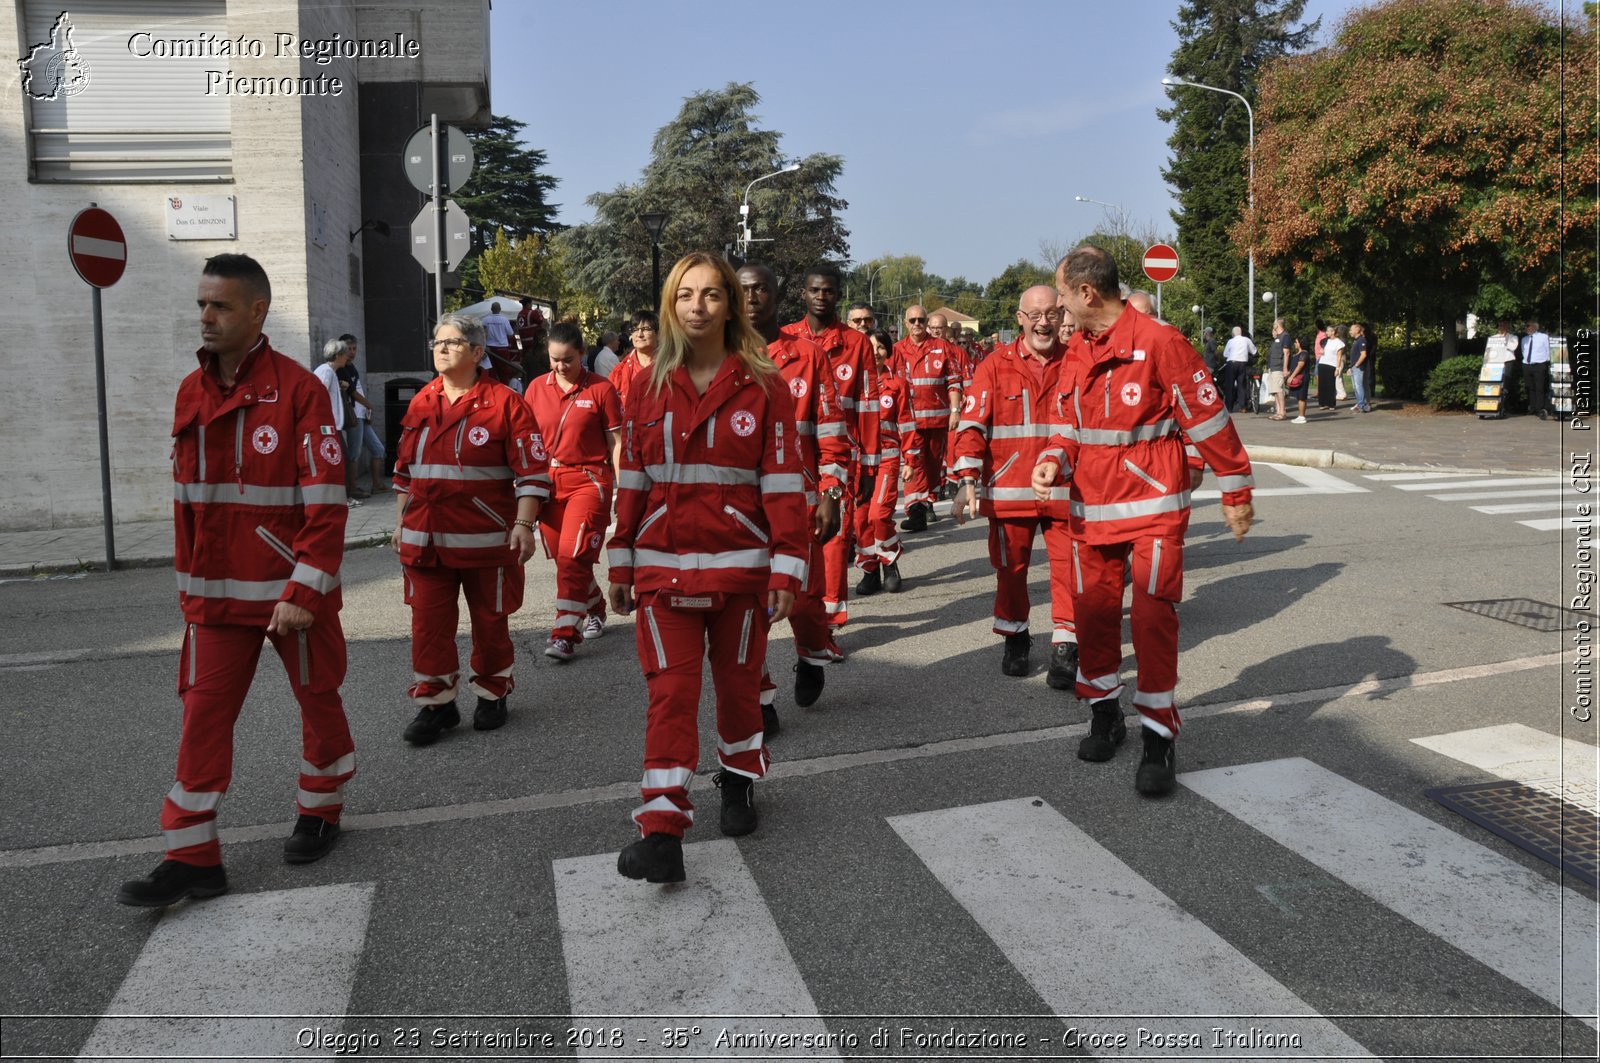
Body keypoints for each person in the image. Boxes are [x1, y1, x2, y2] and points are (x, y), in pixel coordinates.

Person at [117, 253, 355, 907]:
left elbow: (327, 501)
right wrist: (190, 592)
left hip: (289, 596)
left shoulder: (300, 391)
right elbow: (190, 504)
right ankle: (191, 855)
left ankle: (322, 804)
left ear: (257, 311)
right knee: (202, 716)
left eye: (219, 305)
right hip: (216, 600)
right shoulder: (190, 392)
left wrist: (305, 591)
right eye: (201, 304)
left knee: (318, 697)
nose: (205, 317)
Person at [607, 251, 808, 884]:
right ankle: (662, 828)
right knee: (670, 695)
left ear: (731, 306)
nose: (698, 306)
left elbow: (782, 484)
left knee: (739, 688)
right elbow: (632, 479)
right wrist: (619, 558)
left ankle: (740, 780)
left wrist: (786, 569)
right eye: (685, 295)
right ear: (671, 305)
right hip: (663, 572)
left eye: (711, 295)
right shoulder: (644, 384)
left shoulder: (764, 384)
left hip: (741, 574)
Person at [1032, 246, 1255, 796]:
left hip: (1154, 509)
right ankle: (1104, 712)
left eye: (1060, 294)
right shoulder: (1077, 351)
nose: (1057, 306)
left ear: (1086, 294)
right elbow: (1067, 427)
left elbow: (1206, 417)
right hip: (1091, 512)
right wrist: (1051, 459)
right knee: (1094, 617)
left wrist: (1236, 488)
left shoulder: (1161, 342)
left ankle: (1158, 735)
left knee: (1153, 620)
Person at [392, 313, 548, 746]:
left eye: (453, 342)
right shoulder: (422, 400)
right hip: (425, 541)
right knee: (427, 626)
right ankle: (436, 704)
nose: (442, 348)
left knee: (490, 622)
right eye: (437, 342)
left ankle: (492, 692)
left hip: (485, 541)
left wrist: (523, 524)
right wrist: (400, 522)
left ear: (478, 352)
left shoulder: (505, 403)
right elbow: (405, 473)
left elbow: (533, 473)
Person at [951, 285, 1077, 684]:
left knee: (1069, 571)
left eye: (1052, 314)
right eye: (1034, 314)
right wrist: (966, 478)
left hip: (1065, 490)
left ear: (1062, 316)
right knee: (1010, 570)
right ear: (1019, 319)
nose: (1044, 322)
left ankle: (1065, 646)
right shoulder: (993, 365)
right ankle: (1016, 637)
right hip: (1009, 494)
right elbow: (972, 426)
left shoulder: (1076, 362)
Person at [742, 262, 849, 717]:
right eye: (742, 290)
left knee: (804, 601)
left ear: (776, 293)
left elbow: (831, 431)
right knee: (747, 605)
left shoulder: (807, 356)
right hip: (738, 507)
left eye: (760, 290)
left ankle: (810, 655)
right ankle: (759, 698)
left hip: (799, 503)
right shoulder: (717, 354)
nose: (750, 299)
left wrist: (831, 493)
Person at [779, 265, 872, 638]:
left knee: (833, 536)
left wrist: (870, 462)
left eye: (829, 291)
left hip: (839, 457)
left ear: (838, 295)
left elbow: (867, 407)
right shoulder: (785, 340)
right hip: (795, 458)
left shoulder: (857, 344)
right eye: (815, 290)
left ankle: (829, 625)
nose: (822, 296)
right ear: (804, 294)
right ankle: (808, 618)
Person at [524, 321, 623, 661]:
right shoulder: (535, 388)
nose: (561, 366)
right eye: (554, 359)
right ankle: (595, 606)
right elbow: (530, 441)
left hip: (589, 480)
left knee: (572, 555)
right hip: (548, 483)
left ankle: (565, 632)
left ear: (582, 353)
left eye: (568, 359)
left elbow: (616, 443)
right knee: (568, 560)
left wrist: (623, 489)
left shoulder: (601, 389)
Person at [892, 304, 964, 532]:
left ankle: (927, 500)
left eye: (921, 320)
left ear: (926, 322)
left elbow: (953, 382)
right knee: (915, 464)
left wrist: (955, 411)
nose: (917, 325)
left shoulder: (943, 348)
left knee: (932, 466)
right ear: (905, 323)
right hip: (908, 423)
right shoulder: (896, 350)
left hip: (937, 420)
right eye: (912, 321)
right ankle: (916, 510)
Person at [853, 328, 910, 597]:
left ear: (888, 351)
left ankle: (891, 563)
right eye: (870, 347)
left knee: (879, 514)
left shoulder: (897, 384)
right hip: (858, 462)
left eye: (881, 347)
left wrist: (911, 459)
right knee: (860, 519)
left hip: (887, 457)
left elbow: (907, 423)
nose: (875, 352)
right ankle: (870, 570)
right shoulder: (853, 384)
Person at [337, 333, 387, 497]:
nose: (352, 352)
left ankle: (377, 485)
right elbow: (352, 393)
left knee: (378, 449)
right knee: (354, 454)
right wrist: (369, 405)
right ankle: (352, 488)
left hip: (362, 415)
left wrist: (367, 410)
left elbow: (357, 390)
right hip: (354, 416)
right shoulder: (341, 368)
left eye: (354, 348)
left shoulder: (351, 366)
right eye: (348, 349)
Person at [611, 310, 660, 418]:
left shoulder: (673, 367)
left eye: (645, 329)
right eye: (634, 330)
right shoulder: (619, 372)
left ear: (658, 334)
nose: (639, 334)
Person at [481, 302, 520, 390]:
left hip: (490, 349)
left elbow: (482, 333)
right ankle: (504, 390)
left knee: (492, 372)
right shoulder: (504, 320)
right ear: (500, 309)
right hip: (502, 349)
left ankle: (493, 389)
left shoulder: (486, 320)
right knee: (504, 373)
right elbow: (510, 333)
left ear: (491, 309)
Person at [1521, 320, 1553, 419]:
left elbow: (1548, 349)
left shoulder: (1543, 337)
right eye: (1526, 327)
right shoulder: (1524, 339)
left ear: (1535, 327)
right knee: (1530, 387)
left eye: (1528, 326)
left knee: (1539, 387)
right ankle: (1532, 407)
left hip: (1539, 364)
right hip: (1527, 364)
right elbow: (1523, 350)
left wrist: (1547, 362)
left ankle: (1540, 408)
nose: (1527, 328)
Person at [1220, 326, 1256, 413]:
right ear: (1241, 333)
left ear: (1233, 334)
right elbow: (1254, 351)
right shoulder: (1247, 340)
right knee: (1242, 385)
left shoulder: (1230, 341)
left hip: (1232, 363)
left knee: (1230, 386)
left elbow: (1225, 354)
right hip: (1242, 364)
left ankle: (1229, 408)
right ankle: (1243, 407)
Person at [516, 298, 549, 379]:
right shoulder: (532, 313)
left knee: (525, 364)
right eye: (531, 304)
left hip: (523, 344)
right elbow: (543, 323)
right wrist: (540, 313)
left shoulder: (519, 314)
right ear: (528, 304)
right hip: (532, 343)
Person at [1265, 318, 1291, 420]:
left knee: (1279, 390)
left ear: (1277, 325)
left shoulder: (1285, 337)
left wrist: (1285, 368)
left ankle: (1282, 412)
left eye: (1274, 324)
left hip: (1279, 367)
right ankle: (1278, 411)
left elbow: (1286, 353)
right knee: (1275, 390)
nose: (1272, 326)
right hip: (1273, 367)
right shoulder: (1278, 337)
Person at [1285, 333, 1312, 424]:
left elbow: (1300, 366)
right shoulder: (1299, 353)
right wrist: (1289, 374)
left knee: (1301, 397)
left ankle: (1302, 416)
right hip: (1298, 376)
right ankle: (1300, 415)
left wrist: (1291, 376)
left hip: (1302, 377)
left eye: (1296, 342)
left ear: (1301, 343)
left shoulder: (1304, 353)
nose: (1295, 344)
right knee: (1299, 397)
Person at [1347, 322, 1373, 413]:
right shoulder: (1356, 340)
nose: (1349, 331)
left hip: (1358, 367)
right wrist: (1351, 367)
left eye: (1351, 329)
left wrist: (1357, 365)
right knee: (1356, 387)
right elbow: (1354, 356)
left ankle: (1361, 405)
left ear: (1357, 330)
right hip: (1354, 367)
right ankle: (1359, 404)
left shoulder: (1362, 340)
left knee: (1359, 386)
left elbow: (1363, 355)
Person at [1318, 325, 1345, 411]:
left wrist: (1337, 368)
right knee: (1322, 385)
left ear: (1333, 332)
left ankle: (1331, 404)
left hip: (1332, 365)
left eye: (1328, 331)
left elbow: (1339, 357)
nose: (1326, 333)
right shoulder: (1325, 341)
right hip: (1322, 363)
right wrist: (1321, 351)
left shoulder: (1339, 342)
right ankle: (1322, 403)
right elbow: (1322, 349)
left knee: (1330, 385)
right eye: (1326, 331)